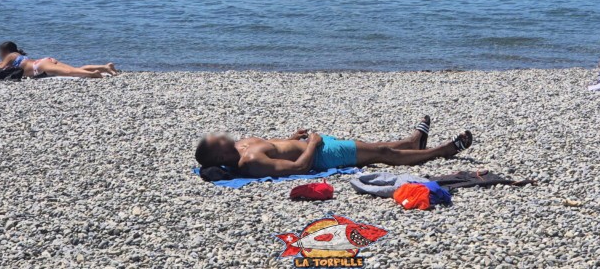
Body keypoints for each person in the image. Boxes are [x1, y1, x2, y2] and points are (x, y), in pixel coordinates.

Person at [194, 117, 473, 178]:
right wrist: (313, 144)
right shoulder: (250, 162)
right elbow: (298, 168)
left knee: (375, 146)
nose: (222, 136)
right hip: (320, 155)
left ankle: (413, 144)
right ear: (219, 155)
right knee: (381, 154)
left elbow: (276, 148)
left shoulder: (242, 146)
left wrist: (292, 138)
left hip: (311, 144)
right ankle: (444, 150)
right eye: (218, 140)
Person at [0, 41, 119, 79]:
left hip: (38, 67)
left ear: (5, 51)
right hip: (43, 62)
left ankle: (93, 74)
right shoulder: (17, 56)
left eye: (1, 52)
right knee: (74, 69)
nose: (0, 54)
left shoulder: (10, 56)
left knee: (71, 72)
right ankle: (105, 67)